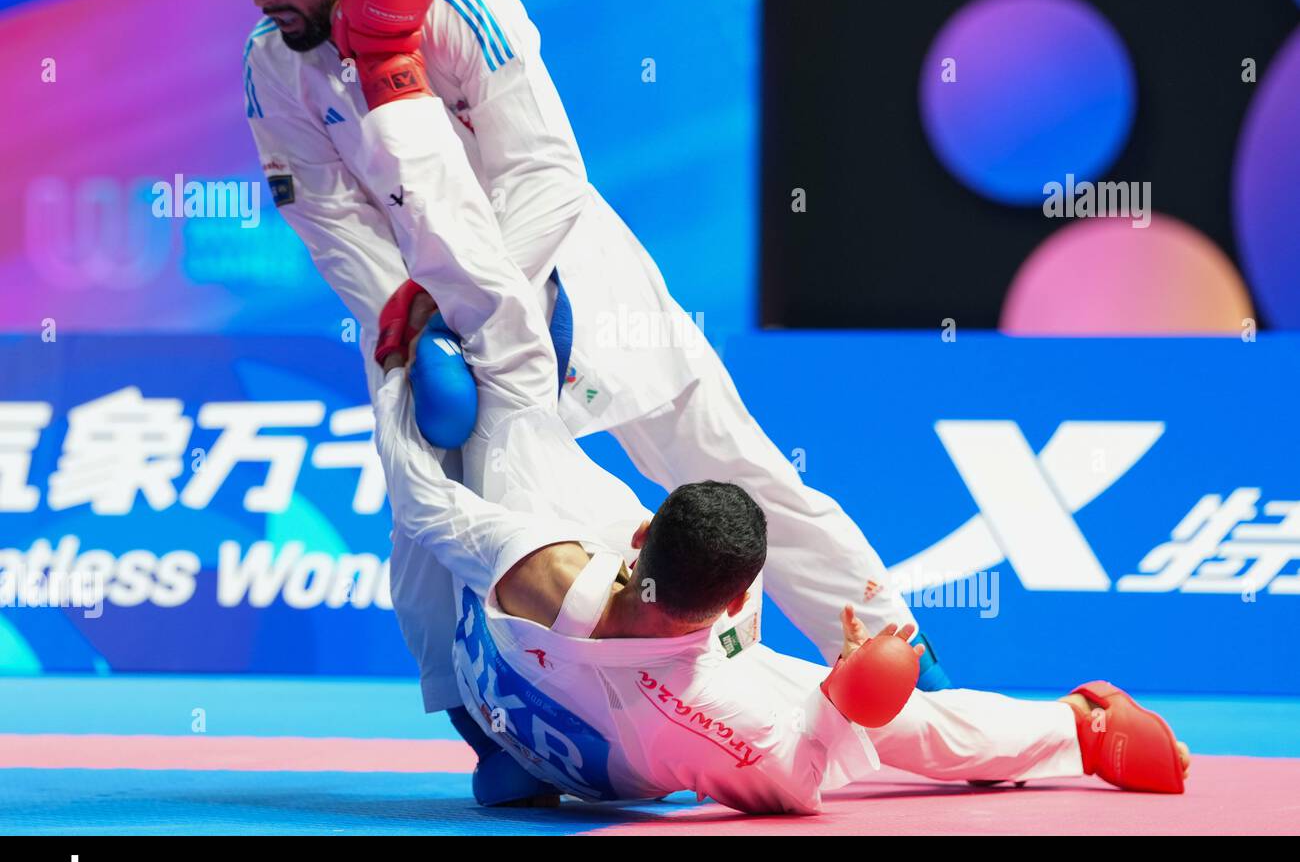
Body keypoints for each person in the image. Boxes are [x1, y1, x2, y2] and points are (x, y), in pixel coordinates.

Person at [234, 0, 952, 784]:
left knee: (734, 471)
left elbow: (546, 173)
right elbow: (328, 219)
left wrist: (478, 288)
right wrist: (407, 311)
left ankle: (905, 656)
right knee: (426, 537)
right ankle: (495, 735)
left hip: (576, 281)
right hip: (436, 323)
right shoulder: (270, 64)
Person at [367, 304, 1192, 814]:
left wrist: (397, 378)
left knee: (483, 427)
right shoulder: (724, 710)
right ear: (735, 609)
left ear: (645, 532)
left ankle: (482, 742)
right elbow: (800, 783)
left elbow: (414, 495)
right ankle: (1078, 734)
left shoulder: (529, 557)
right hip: (616, 763)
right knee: (906, 721)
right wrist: (843, 698)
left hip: (524, 711)